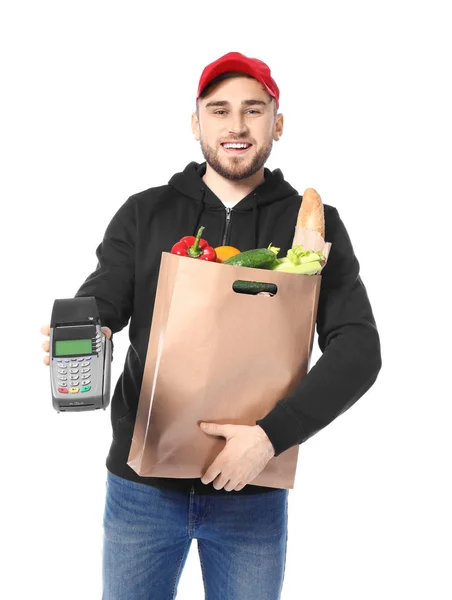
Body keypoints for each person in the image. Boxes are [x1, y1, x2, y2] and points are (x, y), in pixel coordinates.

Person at [41, 51, 382, 599]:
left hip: (253, 490)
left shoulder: (313, 225)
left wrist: (271, 438)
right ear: (196, 123)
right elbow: (104, 296)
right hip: (141, 490)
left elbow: (359, 351)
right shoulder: (143, 212)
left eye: (253, 109)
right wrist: (93, 328)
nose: (237, 126)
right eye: (219, 111)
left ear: (278, 122)